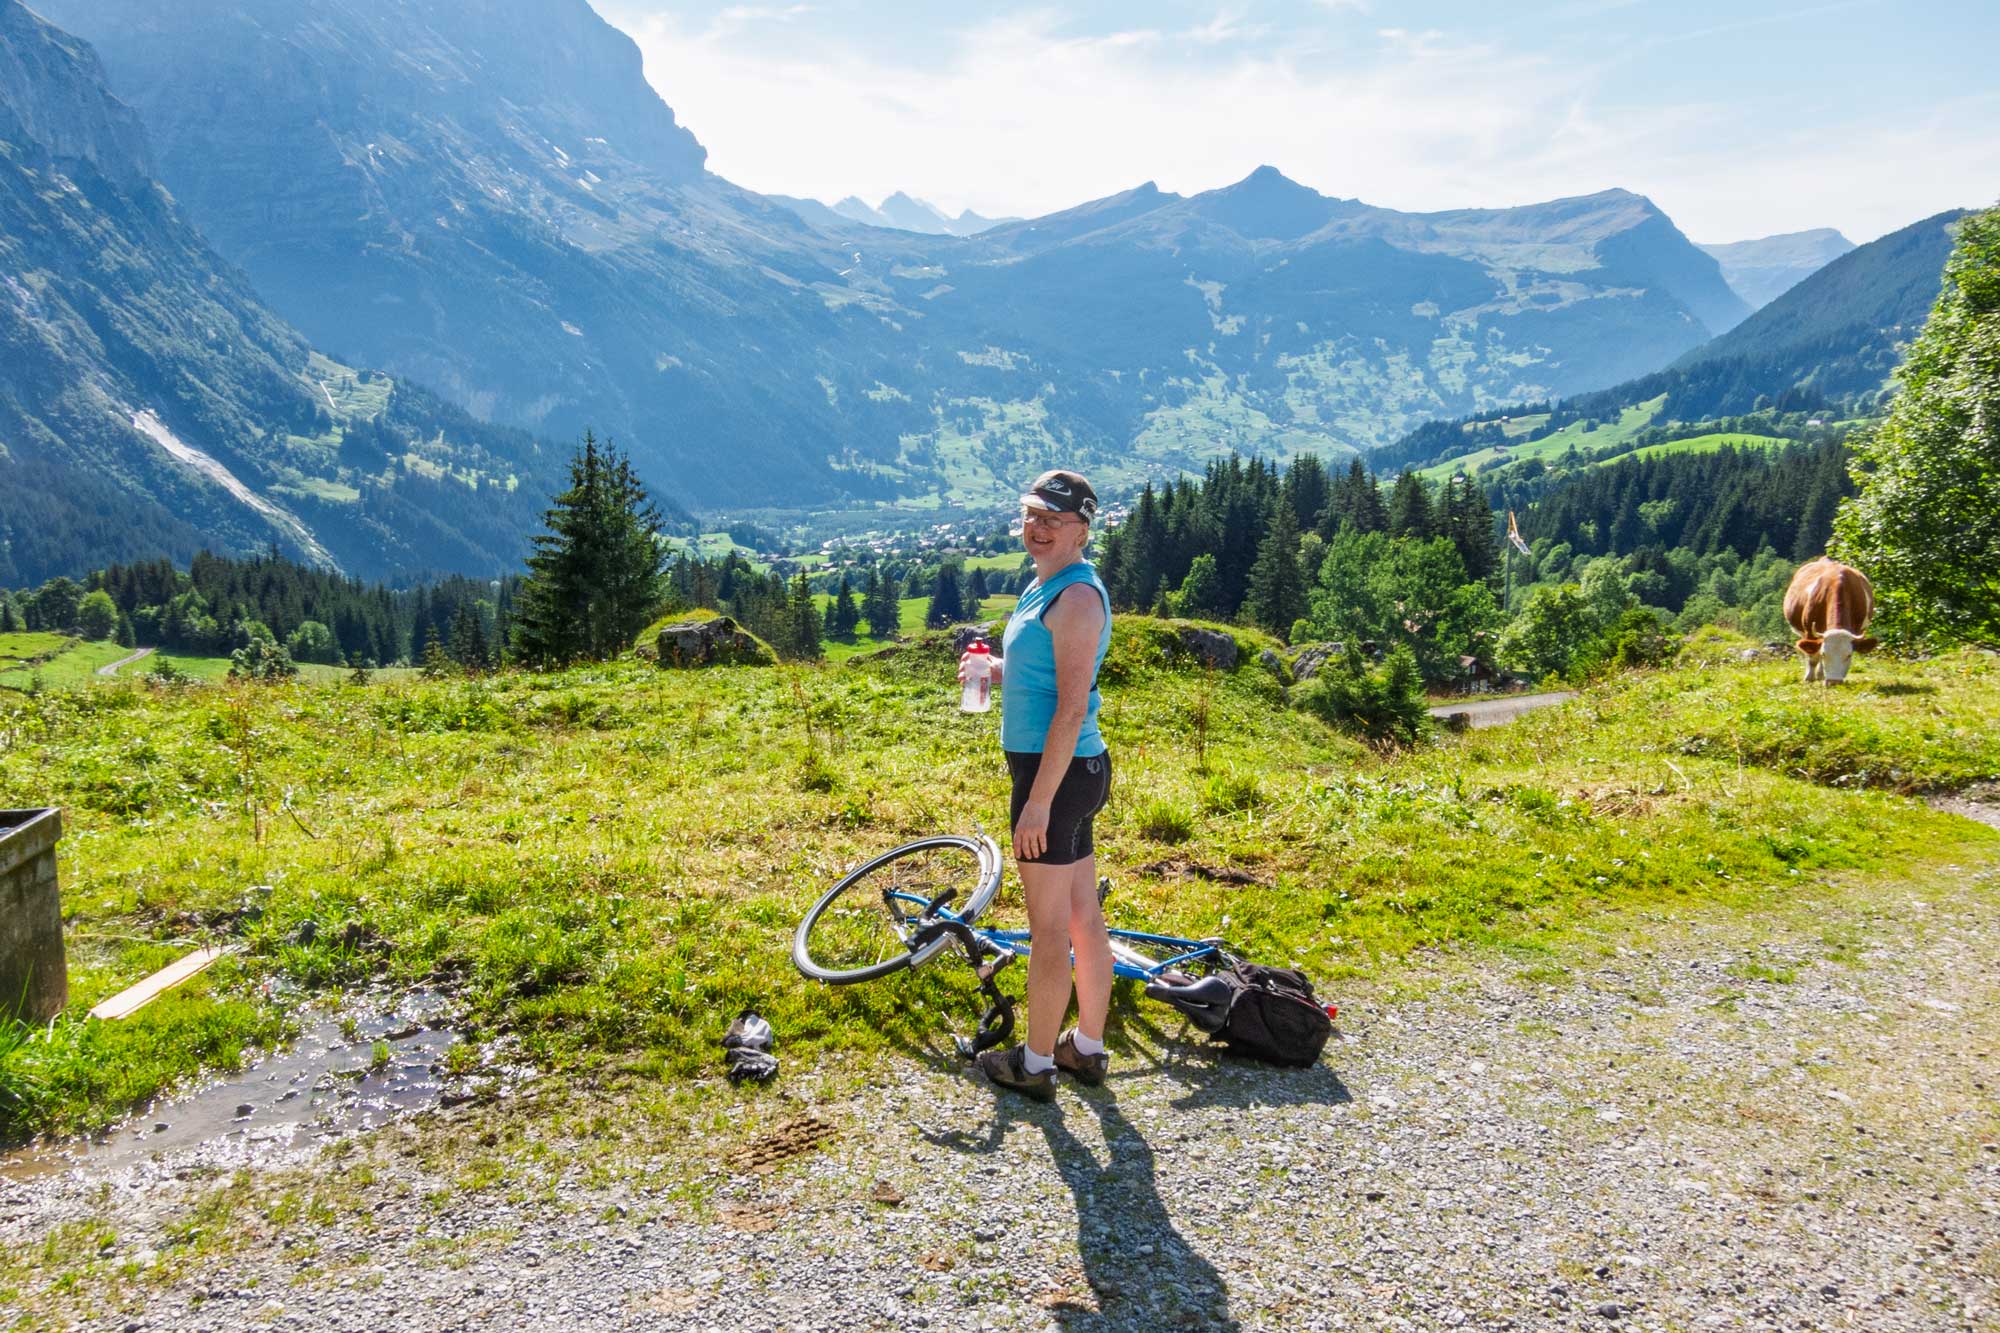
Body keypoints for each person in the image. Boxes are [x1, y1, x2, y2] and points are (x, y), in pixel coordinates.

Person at [959, 469, 1115, 1100]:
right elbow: (1042, 673)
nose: (1038, 528)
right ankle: (1088, 1048)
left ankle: (1036, 1064)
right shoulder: (1045, 586)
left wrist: (1039, 804)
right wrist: (993, 668)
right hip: (1069, 772)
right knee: (1082, 915)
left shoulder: (1077, 598)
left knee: (1048, 929)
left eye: (1053, 520)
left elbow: (1070, 707)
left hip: (1058, 774)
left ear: (1082, 529)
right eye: (1031, 516)